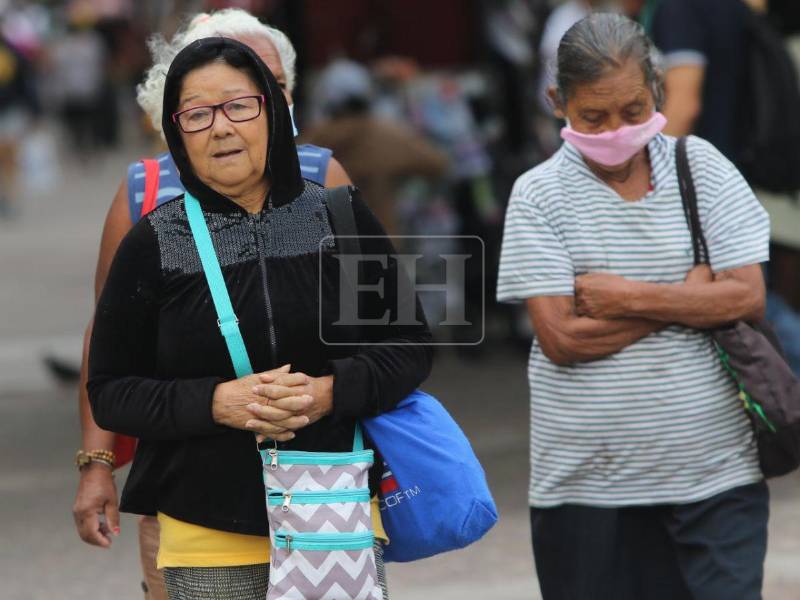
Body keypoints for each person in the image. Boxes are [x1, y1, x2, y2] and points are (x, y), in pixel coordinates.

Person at [87, 36, 431, 599]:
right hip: (205, 528)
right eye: (197, 114)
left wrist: (329, 392)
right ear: (176, 133)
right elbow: (111, 389)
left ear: (273, 110)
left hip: (333, 513)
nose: (221, 128)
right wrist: (215, 403)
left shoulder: (336, 216)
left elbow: (409, 345)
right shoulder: (153, 242)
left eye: (239, 106)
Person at [497, 14, 770, 600]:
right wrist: (692, 297)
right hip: (587, 491)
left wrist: (625, 297)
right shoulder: (538, 195)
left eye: (634, 110)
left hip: (716, 477)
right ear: (557, 102)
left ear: (658, 94)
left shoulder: (704, 168)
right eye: (593, 116)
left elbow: (746, 297)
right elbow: (563, 340)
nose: (616, 129)